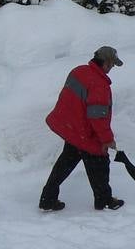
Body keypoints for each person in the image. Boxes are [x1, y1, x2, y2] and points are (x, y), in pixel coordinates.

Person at [39, 45, 125, 213]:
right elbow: (98, 117)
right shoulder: (99, 85)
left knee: (64, 163)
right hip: (85, 133)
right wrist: (107, 139)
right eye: (112, 64)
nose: (112, 68)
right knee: (100, 164)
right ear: (106, 63)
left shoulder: (78, 71)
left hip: (72, 130)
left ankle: (47, 198)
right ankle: (104, 200)